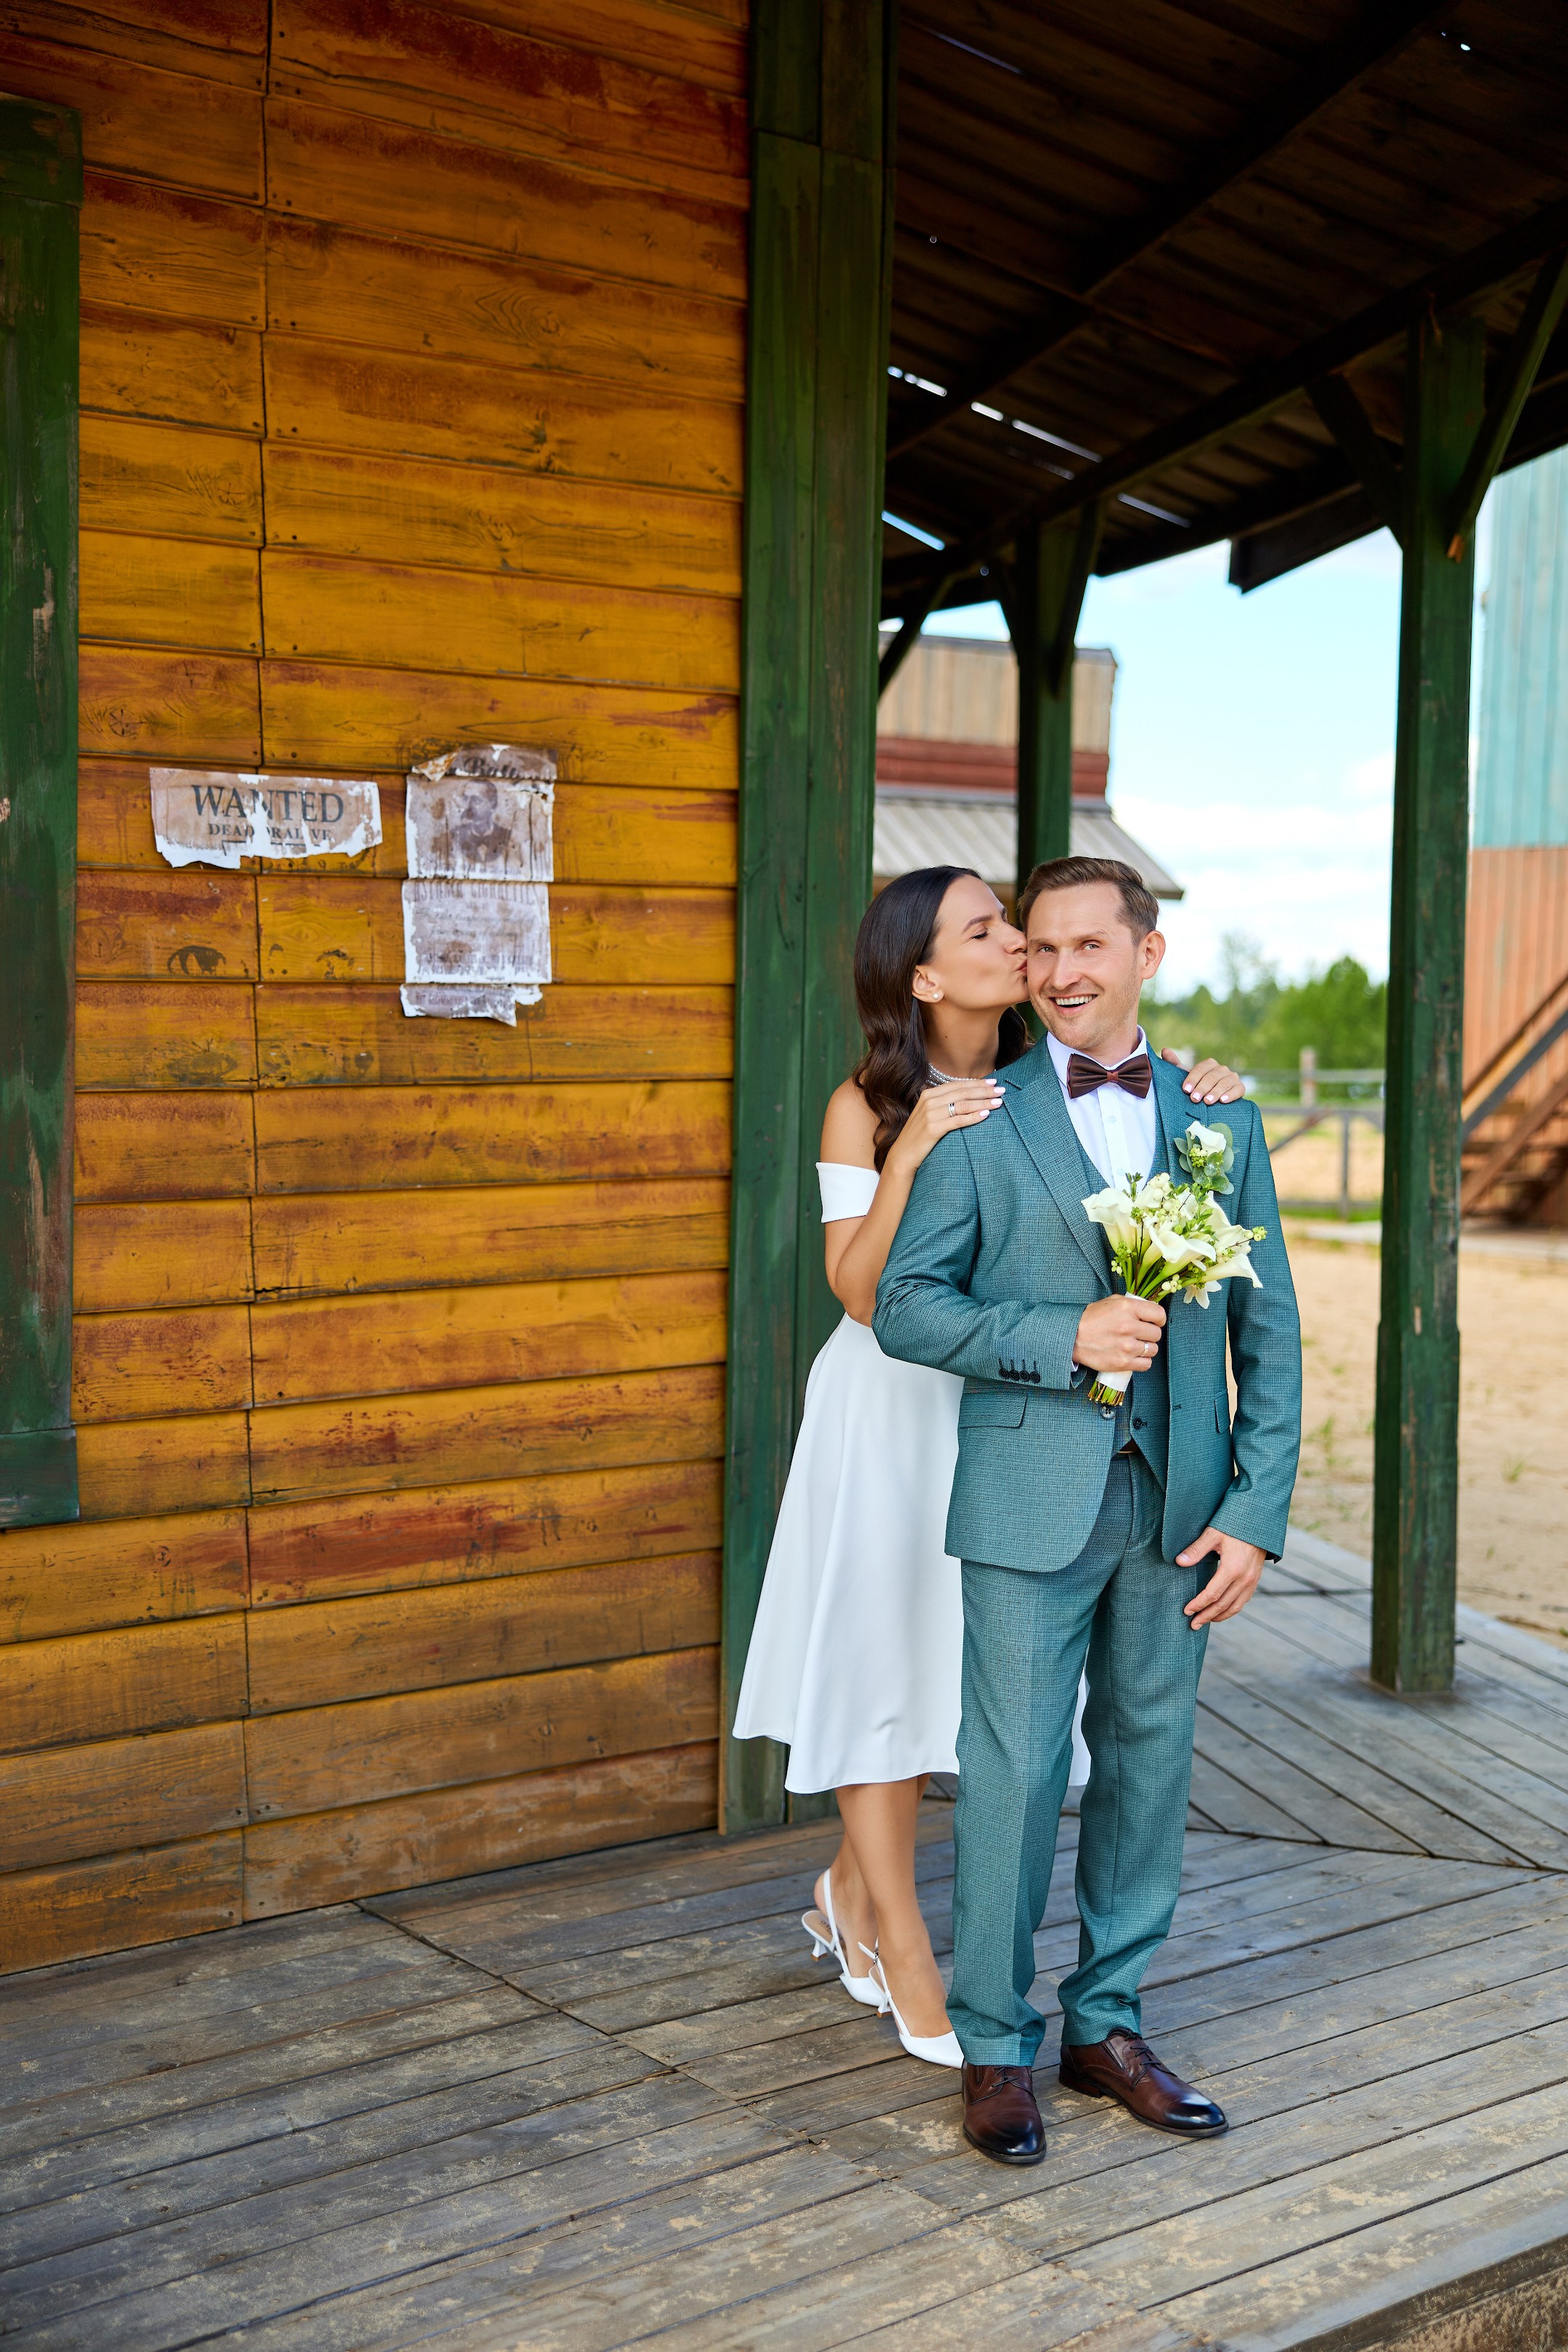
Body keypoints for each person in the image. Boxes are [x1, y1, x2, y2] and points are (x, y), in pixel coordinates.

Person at [733, 864, 1249, 2068]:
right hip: (895, 1406)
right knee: (885, 1657)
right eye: (987, 928)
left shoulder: (1050, 1078)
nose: (1020, 943)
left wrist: (1204, 1085)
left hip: (1025, 1412)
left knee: (959, 1671)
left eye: (1011, 921)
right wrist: (912, 1149)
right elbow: (862, 1295)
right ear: (923, 977)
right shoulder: (865, 1103)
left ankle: (848, 1890)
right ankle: (903, 1945)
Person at [873, 855, 1301, 2158]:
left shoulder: (1221, 1119)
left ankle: (1106, 2025)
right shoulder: (976, 1118)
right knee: (1010, 1770)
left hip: (1184, 1505)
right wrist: (1060, 1335)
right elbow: (907, 1307)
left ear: (1146, 955)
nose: (1060, 972)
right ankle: (996, 2046)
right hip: (1027, 1494)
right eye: (1042, 948)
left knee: (1150, 1761)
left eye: (1088, 947)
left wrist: (1257, 1510)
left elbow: (1271, 1335)